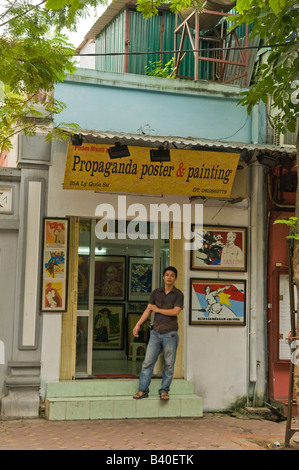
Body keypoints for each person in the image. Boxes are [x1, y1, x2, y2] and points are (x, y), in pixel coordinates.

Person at [132, 266, 184, 401]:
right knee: (147, 362)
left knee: (169, 365)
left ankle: (164, 391)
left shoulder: (178, 294)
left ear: (175, 278)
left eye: (172, 275)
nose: (169, 277)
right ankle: (143, 390)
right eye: (167, 275)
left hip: (170, 334)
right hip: (155, 333)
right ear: (163, 277)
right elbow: (148, 310)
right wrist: (138, 324)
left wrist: (158, 309)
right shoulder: (156, 292)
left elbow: (175, 312)